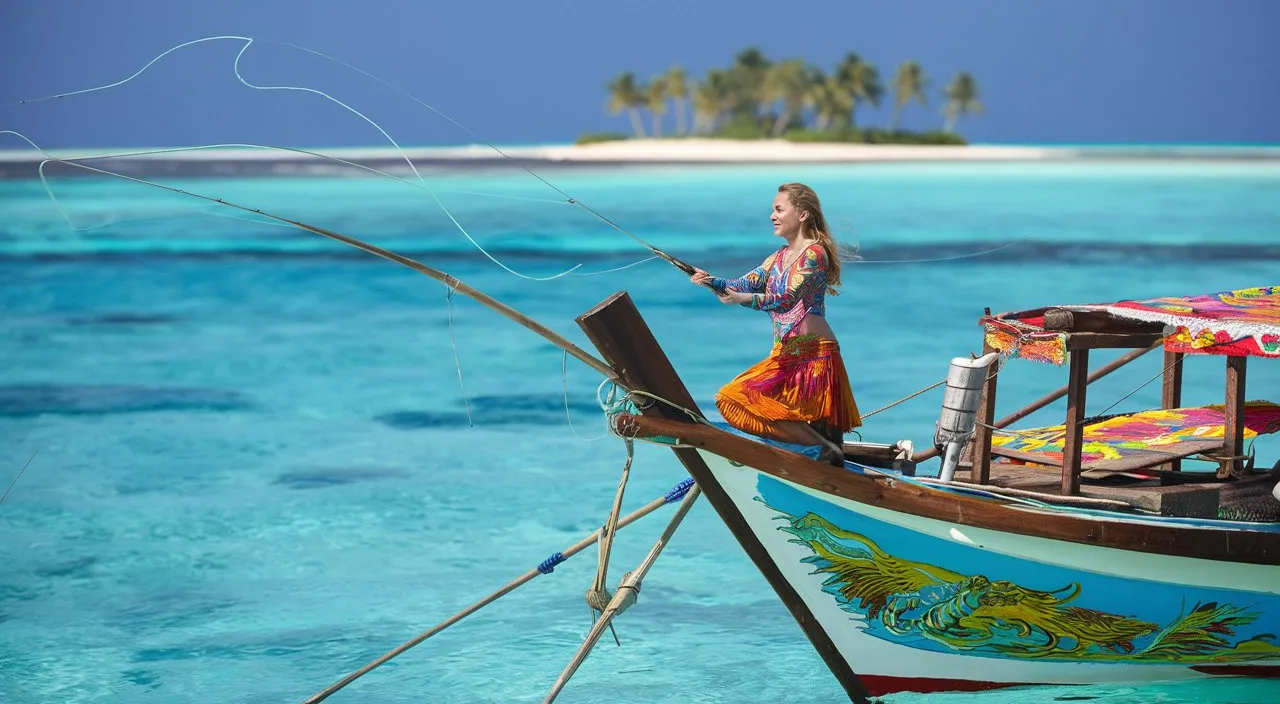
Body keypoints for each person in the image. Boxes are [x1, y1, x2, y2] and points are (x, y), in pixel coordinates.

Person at [689, 182, 861, 465]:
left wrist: (742, 298)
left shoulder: (814, 253)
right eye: (773, 210)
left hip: (811, 354)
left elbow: (787, 298)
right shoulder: (777, 258)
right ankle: (817, 450)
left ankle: (822, 451)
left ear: (802, 214)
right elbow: (741, 284)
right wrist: (709, 281)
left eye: (780, 209)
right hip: (785, 355)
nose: (772, 216)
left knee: (733, 396)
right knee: (737, 403)